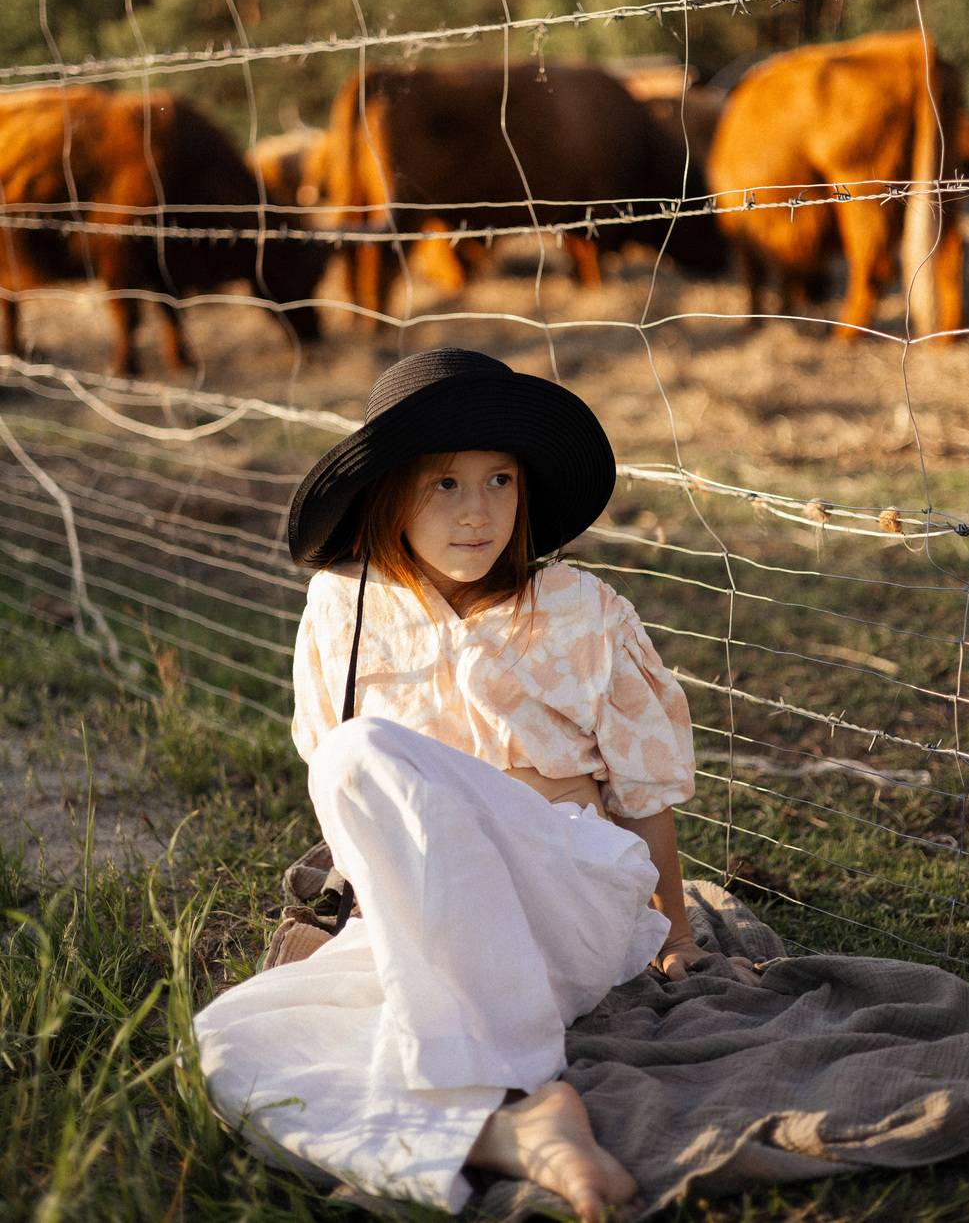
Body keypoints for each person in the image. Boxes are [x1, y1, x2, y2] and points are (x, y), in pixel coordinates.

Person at [194, 347, 758, 1220]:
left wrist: (675, 934)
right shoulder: (341, 607)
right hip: (427, 912)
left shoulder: (580, 608)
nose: (478, 511)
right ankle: (512, 1128)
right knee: (232, 1044)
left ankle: (491, 1085)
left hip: (565, 895)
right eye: (444, 484)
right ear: (388, 494)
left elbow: (643, 796)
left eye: (500, 480)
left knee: (354, 754)